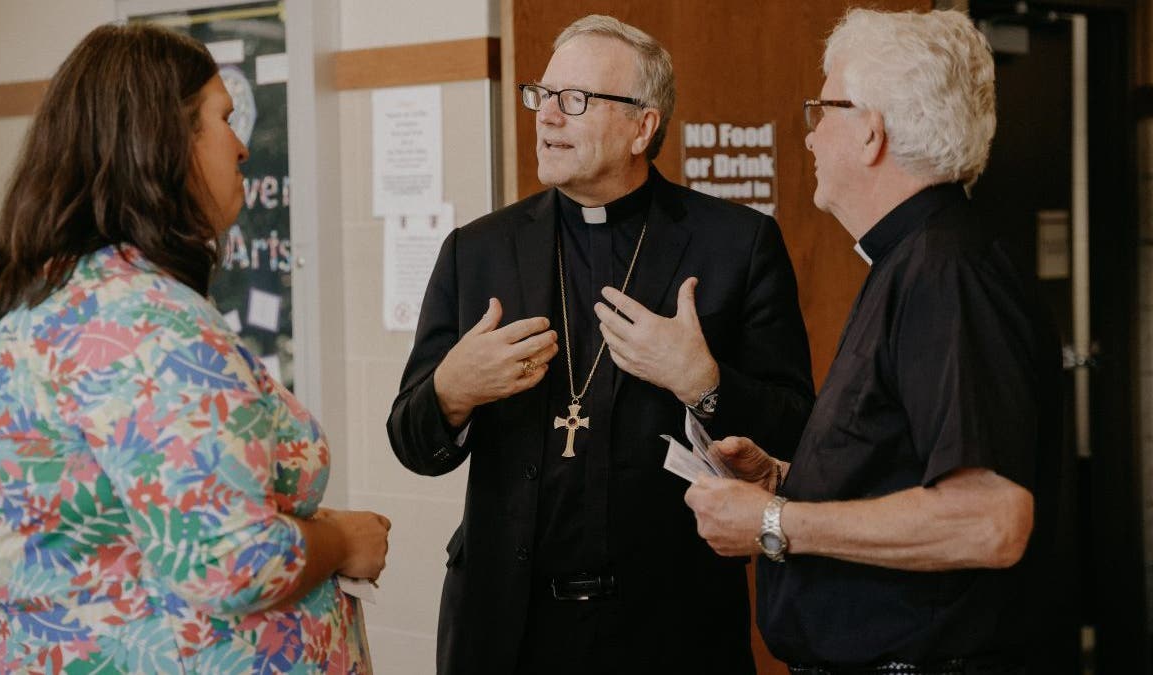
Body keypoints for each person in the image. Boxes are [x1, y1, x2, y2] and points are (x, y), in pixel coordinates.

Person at [0, 23, 390, 673]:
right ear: (164, 141)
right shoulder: (152, 330)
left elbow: (140, 526)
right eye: (222, 119)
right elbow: (232, 561)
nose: (242, 148)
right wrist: (342, 539)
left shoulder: (31, 307)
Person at [388, 14, 814, 675]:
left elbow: (797, 432)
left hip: (670, 631)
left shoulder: (736, 246)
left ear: (643, 127)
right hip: (506, 632)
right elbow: (411, 441)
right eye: (541, 95)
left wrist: (705, 383)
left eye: (575, 100)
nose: (546, 116)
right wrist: (451, 391)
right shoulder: (477, 252)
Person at [685, 8, 1063, 674]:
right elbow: (907, 469)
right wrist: (785, 482)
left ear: (870, 133)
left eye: (822, 110)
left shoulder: (946, 273)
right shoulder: (911, 260)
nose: (810, 138)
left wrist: (776, 520)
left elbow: (990, 518)